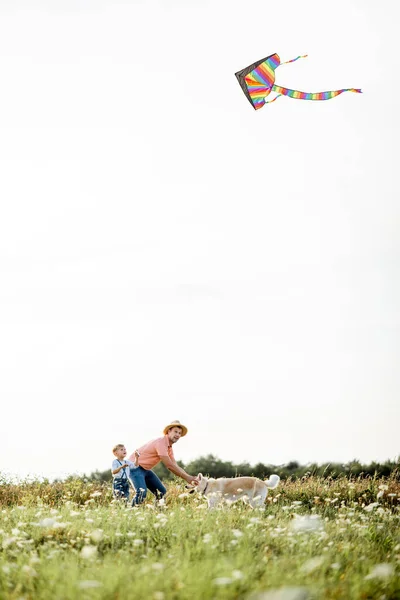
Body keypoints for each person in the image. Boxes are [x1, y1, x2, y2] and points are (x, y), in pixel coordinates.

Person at [128, 420, 198, 505]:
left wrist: (189, 477)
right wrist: (187, 478)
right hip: (135, 467)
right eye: (175, 431)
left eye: (179, 433)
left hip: (145, 469)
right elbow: (169, 466)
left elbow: (175, 465)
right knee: (141, 493)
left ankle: (157, 513)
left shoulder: (169, 448)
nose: (178, 435)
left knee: (161, 492)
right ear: (169, 431)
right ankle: (130, 513)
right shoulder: (161, 442)